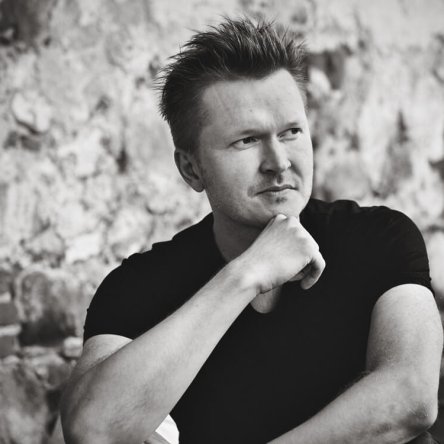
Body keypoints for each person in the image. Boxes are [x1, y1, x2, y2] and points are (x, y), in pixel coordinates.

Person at [60, 17, 443, 444]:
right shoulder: (138, 286)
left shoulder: (378, 238)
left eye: (291, 132)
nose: (279, 162)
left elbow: (411, 395)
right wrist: (246, 274)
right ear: (191, 168)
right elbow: (93, 430)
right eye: (246, 140)